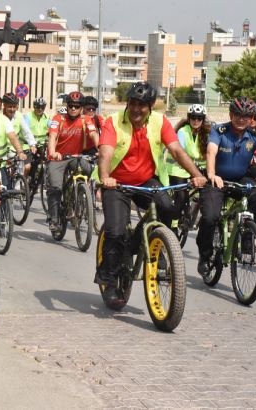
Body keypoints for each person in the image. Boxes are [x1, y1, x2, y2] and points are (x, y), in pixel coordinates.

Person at [96, 82, 207, 302]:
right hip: (116, 183)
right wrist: (105, 177)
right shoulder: (114, 122)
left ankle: (146, 245)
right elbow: (105, 153)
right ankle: (109, 279)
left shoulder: (159, 121)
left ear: (150, 106)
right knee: (116, 231)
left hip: (147, 180)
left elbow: (176, 150)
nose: (137, 109)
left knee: (168, 208)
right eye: (133, 103)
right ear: (127, 103)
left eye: (142, 105)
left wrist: (196, 174)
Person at [196, 96, 256, 276]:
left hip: (240, 179)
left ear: (251, 118)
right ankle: (205, 256)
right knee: (210, 217)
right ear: (231, 114)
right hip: (216, 181)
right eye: (237, 114)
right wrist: (212, 174)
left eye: (246, 116)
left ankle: (247, 239)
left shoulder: (255, 135)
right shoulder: (219, 130)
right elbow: (211, 151)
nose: (241, 119)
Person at [46, 91, 99, 232]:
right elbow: (52, 136)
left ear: (82, 108)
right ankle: (54, 218)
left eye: (77, 106)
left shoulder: (86, 120)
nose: (73, 109)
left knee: (87, 169)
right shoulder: (58, 118)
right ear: (67, 106)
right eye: (71, 106)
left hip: (76, 156)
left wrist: (100, 149)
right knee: (55, 187)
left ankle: (78, 196)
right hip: (58, 157)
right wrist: (53, 152)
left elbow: (94, 134)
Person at [166, 104, 211, 234]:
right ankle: (173, 225)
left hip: (196, 169)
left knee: (209, 192)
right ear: (189, 118)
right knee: (181, 196)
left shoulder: (206, 133)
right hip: (177, 168)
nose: (196, 121)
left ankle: (199, 217)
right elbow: (180, 153)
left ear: (203, 120)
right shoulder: (182, 131)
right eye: (193, 118)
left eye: (199, 118)